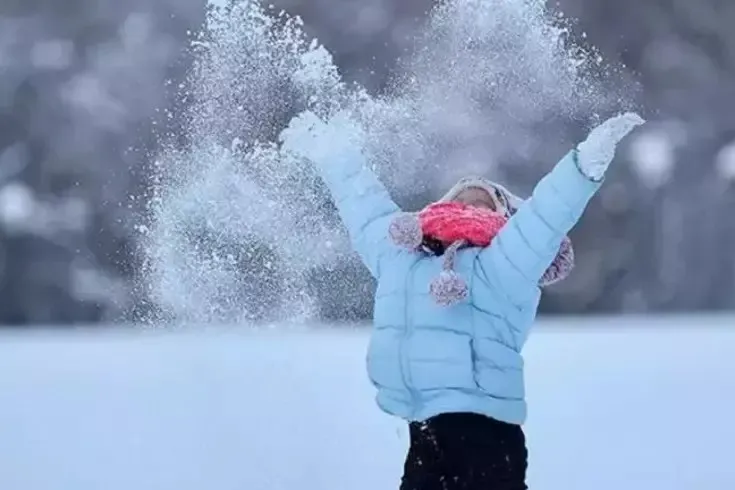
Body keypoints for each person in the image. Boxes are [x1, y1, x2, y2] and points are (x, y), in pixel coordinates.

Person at [279, 110, 644, 489]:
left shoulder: (504, 263)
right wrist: (334, 154)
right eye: (462, 199)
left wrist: (583, 165)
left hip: (487, 432)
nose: (472, 204)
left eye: (485, 202)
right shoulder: (401, 256)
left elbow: (545, 217)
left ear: (505, 220)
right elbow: (365, 211)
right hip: (424, 431)